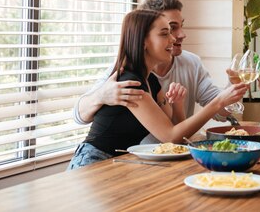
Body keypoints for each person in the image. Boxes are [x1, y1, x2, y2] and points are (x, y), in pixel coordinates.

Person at [67, 9, 247, 169]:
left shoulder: (151, 80)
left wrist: (178, 105)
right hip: (93, 161)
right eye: (164, 34)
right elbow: (170, 136)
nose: (173, 39)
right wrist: (218, 102)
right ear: (143, 41)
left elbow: (176, 131)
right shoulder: (130, 83)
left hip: (120, 162)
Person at [73, 0, 228, 132]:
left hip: (167, 153)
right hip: (124, 158)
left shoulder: (185, 66)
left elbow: (220, 112)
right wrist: (100, 96)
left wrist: (234, 87)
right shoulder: (126, 75)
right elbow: (78, 116)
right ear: (143, 37)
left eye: (181, 26)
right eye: (169, 30)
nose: (180, 35)